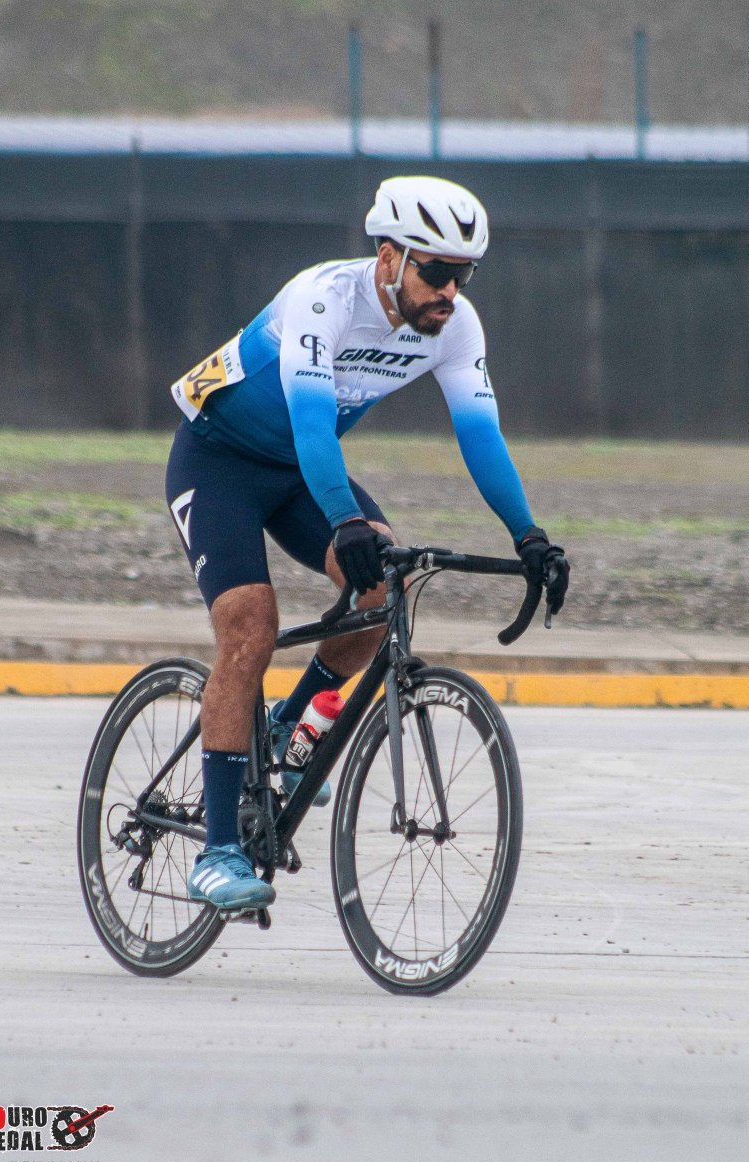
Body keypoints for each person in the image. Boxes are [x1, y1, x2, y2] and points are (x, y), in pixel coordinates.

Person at [165, 175, 569, 912]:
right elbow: (312, 421)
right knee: (250, 627)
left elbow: (480, 435)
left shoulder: (455, 326)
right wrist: (344, 518)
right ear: (388, 257)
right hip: (218, 462)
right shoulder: (323, 298)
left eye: (465, 273)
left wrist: (529, 536)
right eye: (436, 271)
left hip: (298, 472)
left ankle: (290, 725)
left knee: (386, 584)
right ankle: (217, 851)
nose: (451, 290)